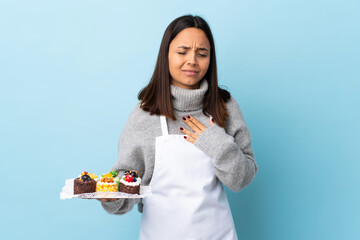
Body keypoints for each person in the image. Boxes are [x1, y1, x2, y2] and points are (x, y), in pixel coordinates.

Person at [99, 15, 258, 240]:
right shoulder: (145, 114)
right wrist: (111, 197)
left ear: (210, 59)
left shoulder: (225, 108)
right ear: (166, 56)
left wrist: (217, 143)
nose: (192, 60)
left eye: (202, 54)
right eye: (182, 52)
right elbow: (128, 179)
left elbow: (242, 178)